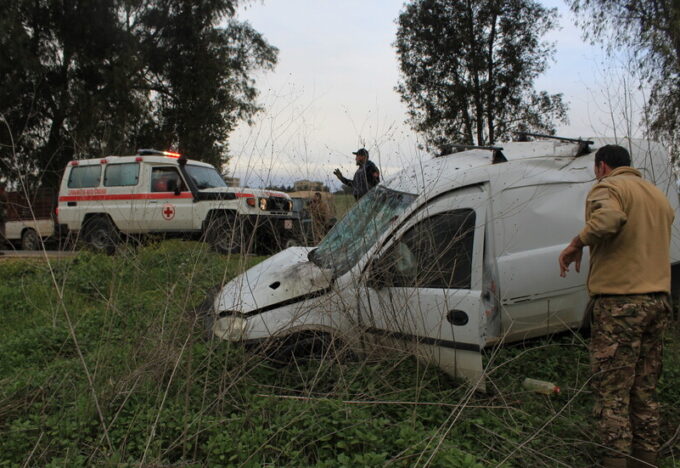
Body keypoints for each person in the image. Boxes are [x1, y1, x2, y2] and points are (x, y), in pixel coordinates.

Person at [558, 144, 674, 468]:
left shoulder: (608, 187)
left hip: (621, 305)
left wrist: (576, 243)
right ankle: (646, 459)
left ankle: (616, 459)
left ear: (601, 166)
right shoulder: (656, 195)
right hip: (658, 302)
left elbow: (609, 218)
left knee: (613, 389)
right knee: (644, 389)